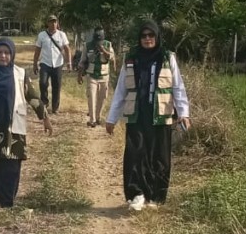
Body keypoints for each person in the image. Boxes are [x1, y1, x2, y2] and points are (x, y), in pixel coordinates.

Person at [105, 20, 190, 211]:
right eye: (143, 36)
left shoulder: (168, 58)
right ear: (139, 38)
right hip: (137, 115)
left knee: (159, 156)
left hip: (161, 115)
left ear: (157, 37)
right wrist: (112, 118)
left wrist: (184, 113)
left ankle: (156, 197)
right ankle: (137, 194)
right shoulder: (131, 58)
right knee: (135, 154)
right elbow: (121, 90)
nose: (147, 39)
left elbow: (178, 87)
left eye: (151, 35)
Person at [0, 37, 53, 207]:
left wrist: (45, 118)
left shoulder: (20, 74)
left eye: (6, 53)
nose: (3, 56)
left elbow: (33, 97)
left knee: (12, 166)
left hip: (14, 128)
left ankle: (6, 202)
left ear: (12, 55)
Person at [76, 27, 117, 128]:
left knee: (102, 97)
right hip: (91, 75)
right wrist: (79, 75)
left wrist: (103, 50)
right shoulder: (88, 45)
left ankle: (98, 117)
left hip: (104, 75)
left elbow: (111, 57)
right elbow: (82, 61)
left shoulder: (108, 44)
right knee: (91, 97)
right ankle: (92, 120)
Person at [32, 13, 71, 115]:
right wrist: (35, 64)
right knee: (43, 83)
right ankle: (44, 103)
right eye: (51, 22)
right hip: (45, 63)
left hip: (58, 64)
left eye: (55, 22)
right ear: (47, 23)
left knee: (56, 86)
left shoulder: (62, 35)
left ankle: (55, 108)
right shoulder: (42, 35)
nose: (53, 24)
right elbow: (37, 50)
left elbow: (67, 49)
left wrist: (69, 63)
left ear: (57, 23)